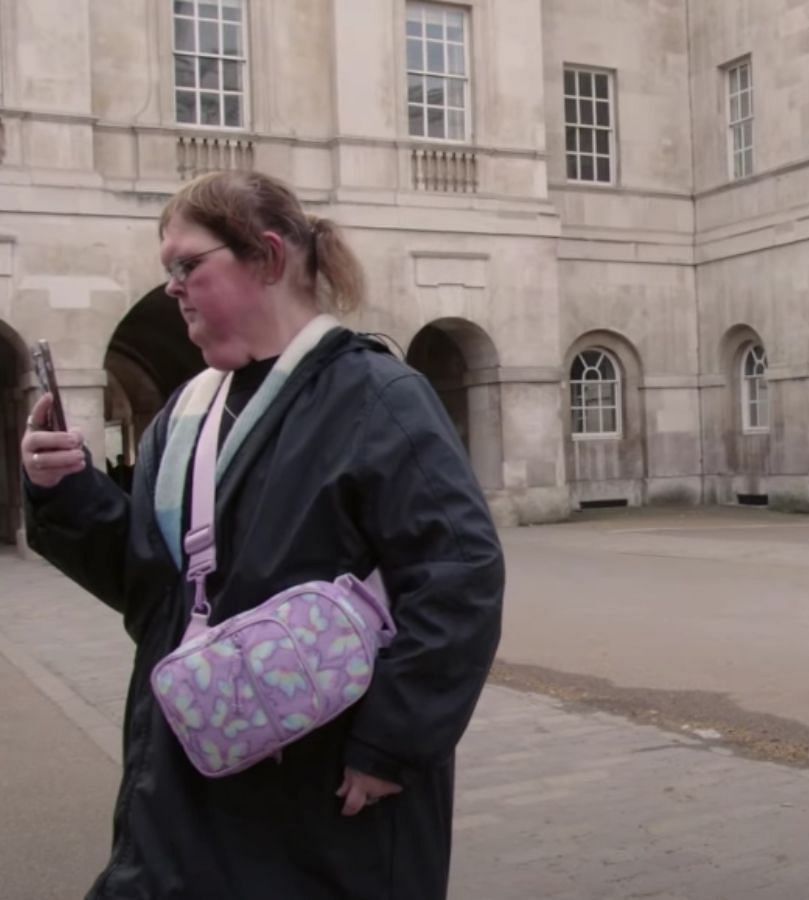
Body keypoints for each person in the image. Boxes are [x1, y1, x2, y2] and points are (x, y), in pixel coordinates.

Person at [21, 170, 505, 899]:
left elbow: (460, 575)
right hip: (183, 782)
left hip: (324, 796)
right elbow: (156, 593)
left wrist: (390, 747)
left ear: (268, 259)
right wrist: (67, 493)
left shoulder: (378, 396)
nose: (172, 288)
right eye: (167, 271)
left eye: (189, 265)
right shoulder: (186, 410)